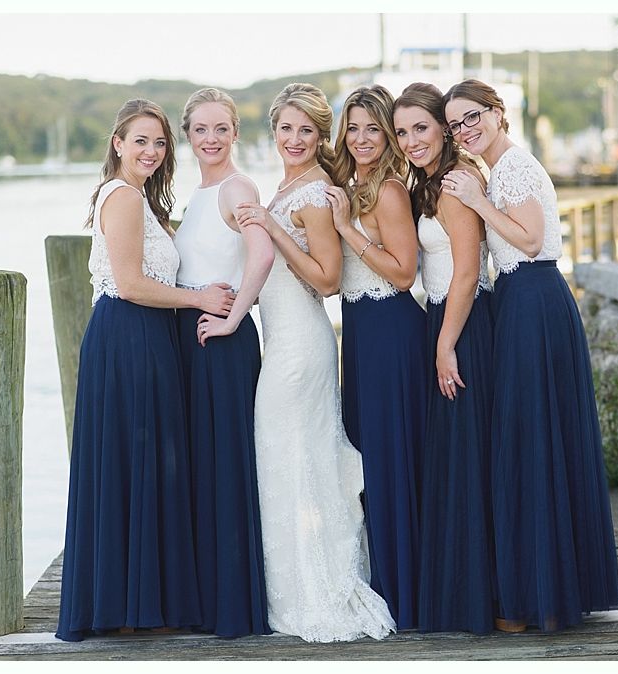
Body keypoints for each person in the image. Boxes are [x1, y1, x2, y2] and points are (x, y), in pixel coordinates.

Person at [440, 79, 618, 633]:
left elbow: (527, 238)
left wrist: (475, 201)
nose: (464, 131)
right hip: (526, 301)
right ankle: (542, 588)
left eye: (472, 118)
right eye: (455, 125)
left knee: (533, 439)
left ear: (498, 114)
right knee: (535, 437)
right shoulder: (501, 169)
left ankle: (535, 596)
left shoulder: (513, 167)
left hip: (535, 300)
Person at [56, 98, 236, 641]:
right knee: (134, 461)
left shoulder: (137, 199)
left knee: (146, 465)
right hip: (127, 337)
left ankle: (139, 602)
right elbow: (131, 283)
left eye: (160, 143)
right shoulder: (122, 198)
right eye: (140, 140)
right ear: (117, 143)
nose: (152, 151)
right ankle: (125, 606)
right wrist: (197, 295)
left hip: (145, 338)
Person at [234, 83, 395, 643]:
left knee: (294, 456)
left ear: (320, 136)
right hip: (279, 338)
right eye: (286, 129)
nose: (296, 139)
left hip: (302, 344)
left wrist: (272, 227)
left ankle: (314, 592)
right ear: (273, 131)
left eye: (307, 130)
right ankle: (289, 590)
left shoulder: (317, 193)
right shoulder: (288, 186)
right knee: (287, 458)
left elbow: (327, 279)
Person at [392, 82, 496, 635]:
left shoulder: (457, 183)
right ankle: (461, 593)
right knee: (453, 459)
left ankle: (481, 598)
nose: (411, 140)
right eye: (402, 131)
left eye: (421, 128)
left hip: (463, 325)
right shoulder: (427, 183)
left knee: (467, 457)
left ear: (444, 128)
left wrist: (445, 344)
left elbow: (466, 272)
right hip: (444, 319)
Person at [173, 87, 275, 638]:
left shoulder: (237, 186)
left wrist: (236, 316)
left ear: (236, 132)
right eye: (199, 130)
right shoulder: (201, 191)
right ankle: (208, 598)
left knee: (226, 470)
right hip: (196, 342)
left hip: (223, 343)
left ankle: (231, 606)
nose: (210, 139)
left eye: (220, 129)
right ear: (188, 136)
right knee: (202, 468)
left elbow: (261, 252)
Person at [325, 85, 427, 631]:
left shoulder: (388, 188)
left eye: (373, 129)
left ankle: (405, 593)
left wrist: (344, 230)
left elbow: (404, 271)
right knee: (366, 459)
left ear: (388, 135)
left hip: (392, 332)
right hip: (359, 337)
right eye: (354, 127)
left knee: (390, 463)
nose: (361, 139)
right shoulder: (350, 184)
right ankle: (382, 580)